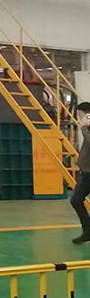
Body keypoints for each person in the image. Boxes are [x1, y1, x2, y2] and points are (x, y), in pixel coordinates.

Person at [71, 102, 90, 244]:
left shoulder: (87, 129)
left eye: (80, 115)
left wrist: (83, 128)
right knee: (76, 200)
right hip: (86, 173)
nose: (79, 118)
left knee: (76, 199)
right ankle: (87, 231)